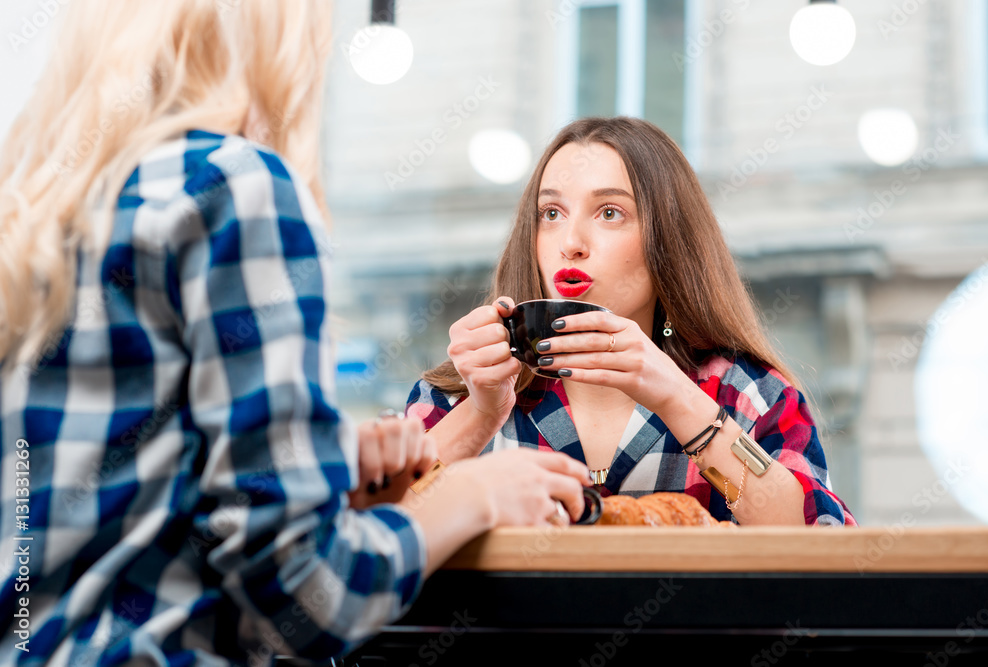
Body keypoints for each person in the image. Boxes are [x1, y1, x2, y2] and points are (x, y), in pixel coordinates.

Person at [0, 2, 591, 665]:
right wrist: (474, 493)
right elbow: (309, 598)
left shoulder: (37, 212)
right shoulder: (236, 186)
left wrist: (326, 486)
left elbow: (116, 512)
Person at [407, 117, 856, 527]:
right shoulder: (459, 392)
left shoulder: (747, 392)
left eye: (609, 213)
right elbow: (374, 546)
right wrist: (483, 413)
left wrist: (678, 397)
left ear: (669, 239)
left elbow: (819, 547)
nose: (571, 243)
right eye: (551, 214)